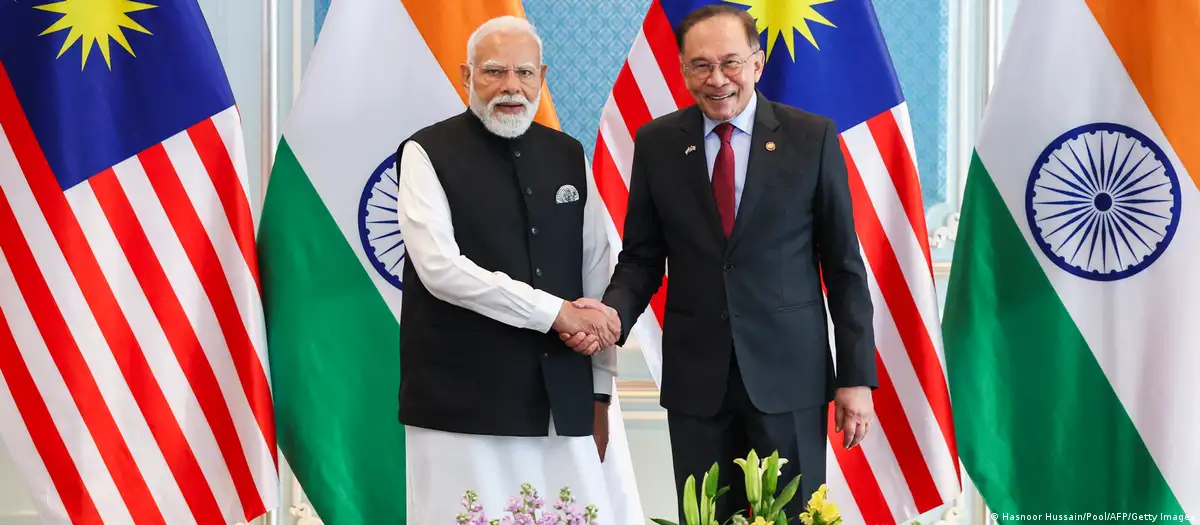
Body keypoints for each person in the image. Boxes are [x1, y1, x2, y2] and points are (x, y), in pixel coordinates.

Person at [563, 5, 878, 521]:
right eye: (701, 65)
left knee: (791, 516)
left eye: (730, 62)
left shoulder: (811, 137)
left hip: (788, 378)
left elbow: (844, 268)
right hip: (697, 381)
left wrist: (856, 377)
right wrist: (611, 316)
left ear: (756, 64)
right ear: (683, 70)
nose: (717, 79)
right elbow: (642, 258)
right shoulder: (657, 143)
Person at [393, 16, 627, 523]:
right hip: (460, 405)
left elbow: (595, 274)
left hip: (562, 403)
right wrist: (555, 313)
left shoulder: (568, 155)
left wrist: (601, 393)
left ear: (541, 77)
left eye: (524, 73)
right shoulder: (425, 152)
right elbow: (441, 269)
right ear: (467, 75)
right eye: (494, 72)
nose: (511, 87)